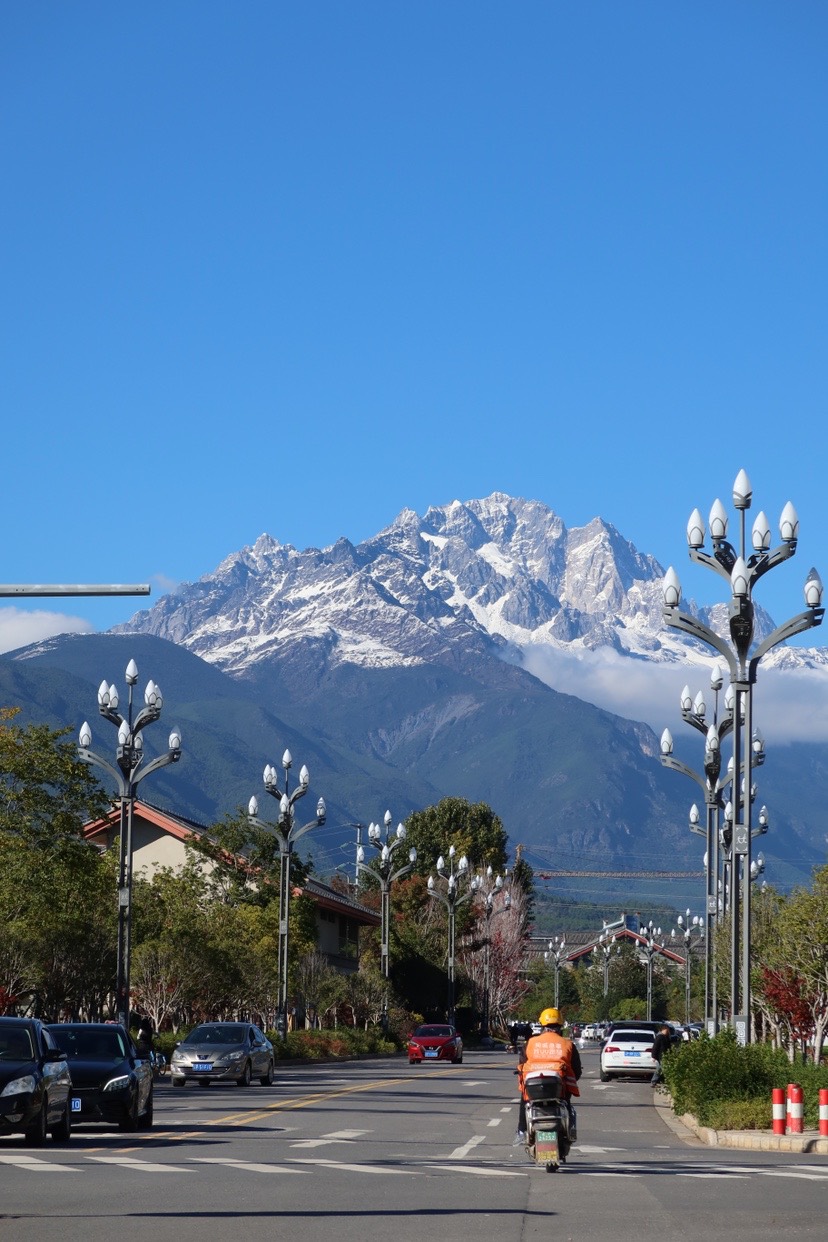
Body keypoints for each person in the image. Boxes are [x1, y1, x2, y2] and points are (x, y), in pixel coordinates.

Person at [514, 1007, 582, 1144]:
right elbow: (576, 1071)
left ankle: (522, 1131)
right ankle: (569, 1130)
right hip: (559, 1088)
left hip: (533, 1087)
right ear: (560, 1025)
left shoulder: (531, 1043)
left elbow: (522, 1064)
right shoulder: (568, 1044)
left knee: (525, 1101)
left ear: (542, 1025)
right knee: (566, 1103)